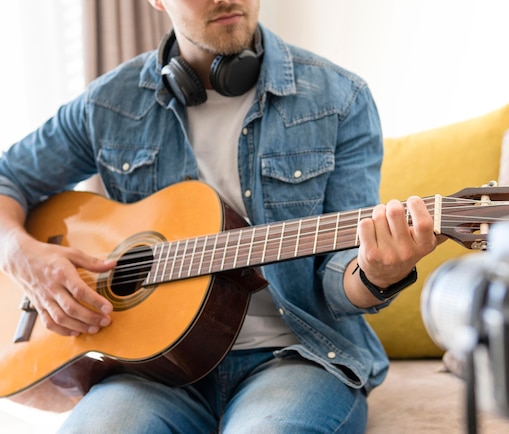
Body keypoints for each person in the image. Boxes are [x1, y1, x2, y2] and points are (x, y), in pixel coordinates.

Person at [0, 0, 437, 432]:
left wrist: (375, 275)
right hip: (150, 372)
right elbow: (8, 177)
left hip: (297, 357)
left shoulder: (340, 98)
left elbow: (337, 275)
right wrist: (19, 252)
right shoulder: (110, 103)